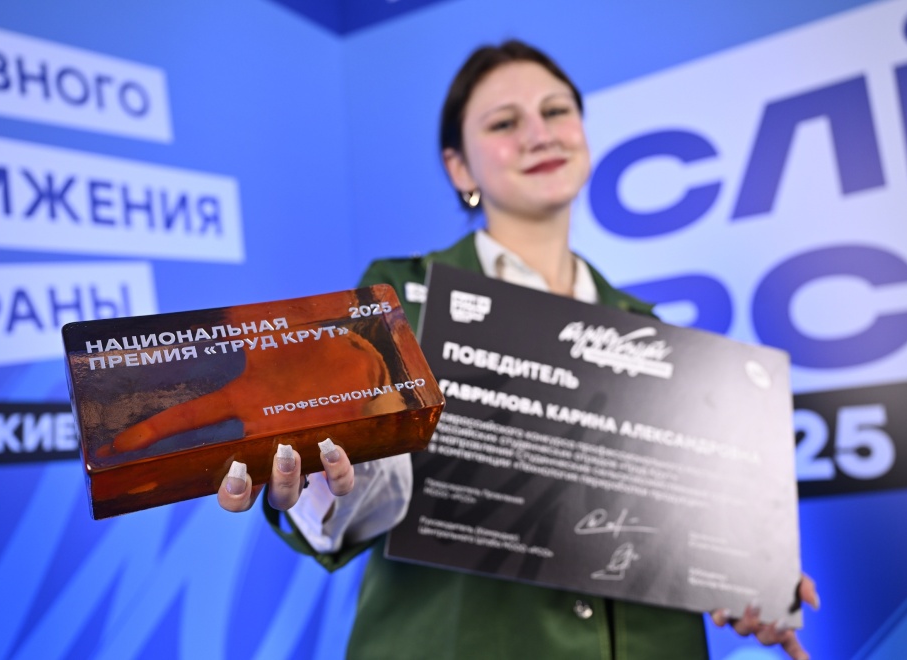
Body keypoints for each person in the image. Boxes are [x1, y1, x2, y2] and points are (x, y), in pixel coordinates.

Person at [217, 40, 819, 660]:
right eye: (505, 123)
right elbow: (351, 500)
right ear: (460, 169)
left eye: (556, 112)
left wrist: (742, 577)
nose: (539, 134)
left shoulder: (650, 331)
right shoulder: (398, 300)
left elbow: (675, 532)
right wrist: (325, 479)